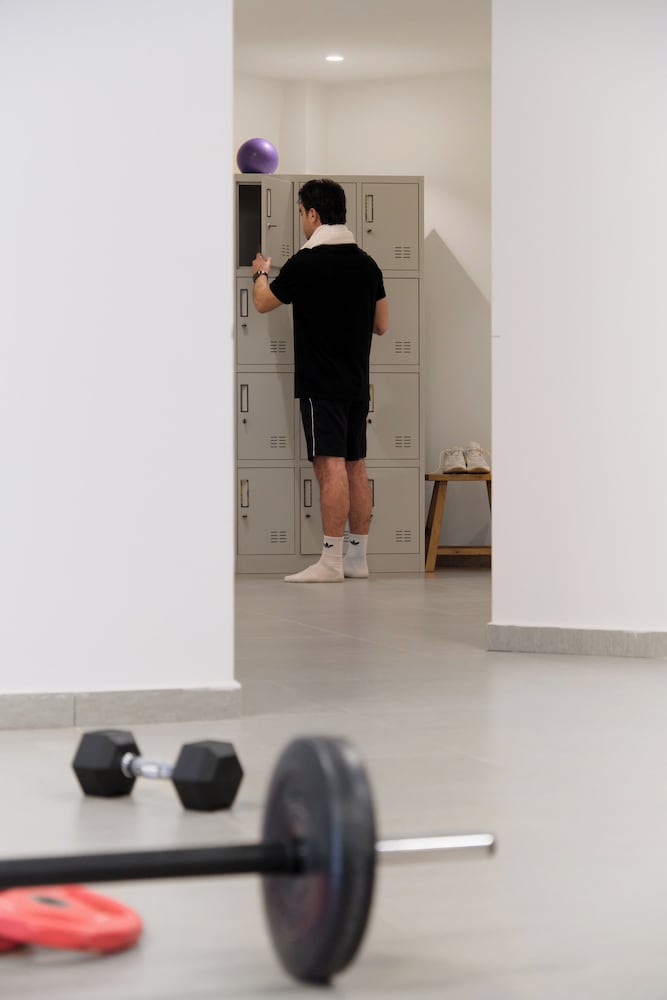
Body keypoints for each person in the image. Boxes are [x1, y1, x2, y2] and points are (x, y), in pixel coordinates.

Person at [251, 178, 388, 583]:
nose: (301, 221)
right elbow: (382, 324)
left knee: (330, 468)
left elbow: (262, 302)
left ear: (313, 214)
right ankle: (357, 559)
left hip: (320, 385)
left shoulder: (306, 262)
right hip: (356, 385)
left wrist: (261, 273)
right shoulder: (367, 264)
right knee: (356, 467)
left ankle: (330, 562)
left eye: (301, 213)